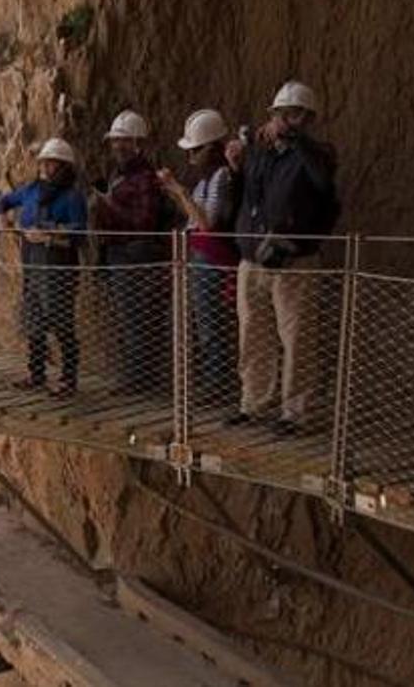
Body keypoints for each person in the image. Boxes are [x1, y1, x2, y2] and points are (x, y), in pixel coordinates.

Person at [224, 81, 340, 436]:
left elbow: (323, 183)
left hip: (293, 261)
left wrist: (296, 140)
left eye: (291, 115)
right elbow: (247, 194)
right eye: (279, 114)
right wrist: (235, 163)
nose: (283, 121)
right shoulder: (263, 154)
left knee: (296, 336)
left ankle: (295, 412)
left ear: (306, 118)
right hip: (253, 258)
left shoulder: (318, 153)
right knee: (252, 334)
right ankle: (254, 402)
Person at [92, 110, 179, 398]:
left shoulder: (144, 178)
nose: (118, 147)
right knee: (133, 318)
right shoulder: (121, 175)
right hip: (122, 253)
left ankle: (140, 383)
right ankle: (139, 380)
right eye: (116, 142)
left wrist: (108, 206)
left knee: (137, 318)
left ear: (137, 143)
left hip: (137, 254)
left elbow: (145, 221)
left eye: (124, 141)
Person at [158, 109, 241, 406]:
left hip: (212, 257)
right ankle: (212, 384)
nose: (191, 157)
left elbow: (207, 223)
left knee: (211, 324)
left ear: (211, 148)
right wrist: (176, 194)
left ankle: (218, 388)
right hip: (200, 254)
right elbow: (196, 218)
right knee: (202, 322)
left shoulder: (221, 177)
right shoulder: (207, 180)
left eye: (195, 150)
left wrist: (179, 191)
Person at [0, 138, 87, 398]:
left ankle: (69, 380)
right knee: (34, 318)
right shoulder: (31, 190)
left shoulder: (73, 197)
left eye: (53, 163)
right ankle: (36, 374)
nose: (47, 167)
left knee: (61, 321)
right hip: (32, 262)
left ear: (64, 167)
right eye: (45, 162)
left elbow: (81, 231)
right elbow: (3, 201)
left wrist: (51, 235)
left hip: (59, 265)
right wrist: (3, 222)